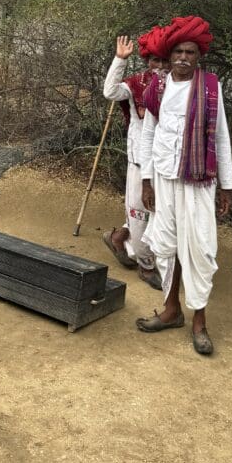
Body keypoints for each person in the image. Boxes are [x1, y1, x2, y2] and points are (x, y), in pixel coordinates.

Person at [137, 16, 232, 355]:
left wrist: (227, 185)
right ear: (170, 53)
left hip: (198, 183)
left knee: (199, 250)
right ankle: (171, 309)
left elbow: (221, 136)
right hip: (164, 178)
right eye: (177, 51)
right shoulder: (158, 87)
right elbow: (148, 134)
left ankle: (199, 322)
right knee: (166, 246)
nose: (182, 57)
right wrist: (146, 181)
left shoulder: (210, 87)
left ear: (198, 56)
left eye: (189, 52)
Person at [101, 32, 165, 289]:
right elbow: (110, 91)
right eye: (154, 60)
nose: (160, 66)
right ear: (147, 60)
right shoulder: (137, 82)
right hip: (140, 160)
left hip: (168, 164)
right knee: (140, 211)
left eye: (164, 60)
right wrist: (120, 59)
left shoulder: (181, 85)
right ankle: (146, 266)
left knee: (159, 213)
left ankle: (119, 239)